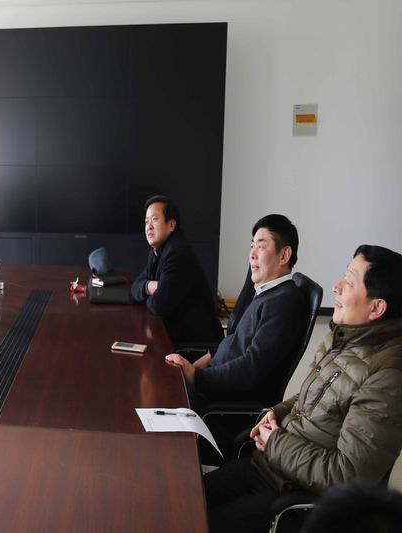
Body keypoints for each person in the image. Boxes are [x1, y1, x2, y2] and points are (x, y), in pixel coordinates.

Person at [204, 245, 402, 533]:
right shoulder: (344, 337)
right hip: (267, 467)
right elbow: (311, 398)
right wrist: (275, 412)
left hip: (289, 500)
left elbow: (346, 475)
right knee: (176, 498)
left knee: (186, 521)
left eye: (348, 281)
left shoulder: (387, 375)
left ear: (376, 308)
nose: (336, 286)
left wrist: (276, 443)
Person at [165, 214, 306, 410]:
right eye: (252, 246)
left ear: (284, 255)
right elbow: (236, 341)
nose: (252, 254)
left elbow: (251, 368)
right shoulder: (266, 292)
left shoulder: (283, 303)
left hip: (222, 403)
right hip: (212, 385)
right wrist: (196, 367)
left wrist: (197, 378)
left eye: (261, 246)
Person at [131, 195, 223, 346]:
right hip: (175, 335)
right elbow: (135, 286)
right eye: (146, 221)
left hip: (196, 344)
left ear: (171, 225)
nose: (149, 226)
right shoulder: (156, 250)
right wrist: (150, 286)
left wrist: (148, 293)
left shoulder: (178, 253)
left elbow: (159, 305)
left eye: (154, 219)